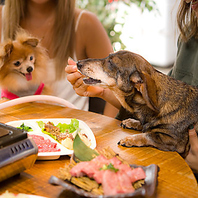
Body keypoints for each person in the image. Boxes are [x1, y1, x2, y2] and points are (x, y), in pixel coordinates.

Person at [65, 0, 198, 176]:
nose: (188, 0)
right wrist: (105, 91)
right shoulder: (189, 36)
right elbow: (159, 107)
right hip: (168, 166)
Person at [0, 0, 118, 117]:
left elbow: (117, 89)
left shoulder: (85, 23)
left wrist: (105, 133)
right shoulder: (2, 18)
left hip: (68, 131)